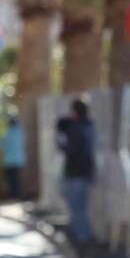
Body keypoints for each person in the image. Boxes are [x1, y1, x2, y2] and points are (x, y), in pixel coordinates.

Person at [54, 97, 96, 246]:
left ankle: (81, 238)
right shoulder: (90, 126)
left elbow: (69, 149)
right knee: (80, 206)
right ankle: (81, 236)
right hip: (86, 172)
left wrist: (62, 138)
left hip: (75, 172)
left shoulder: (76, 129)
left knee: (76, 207)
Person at [0, 113, 26, 201]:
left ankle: (13, 196)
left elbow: (0, 145)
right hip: (19, 159)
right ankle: (17, 196)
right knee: (16, 178)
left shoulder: (6, 133)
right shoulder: (19, 132)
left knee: (11, 179)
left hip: (8, 160)